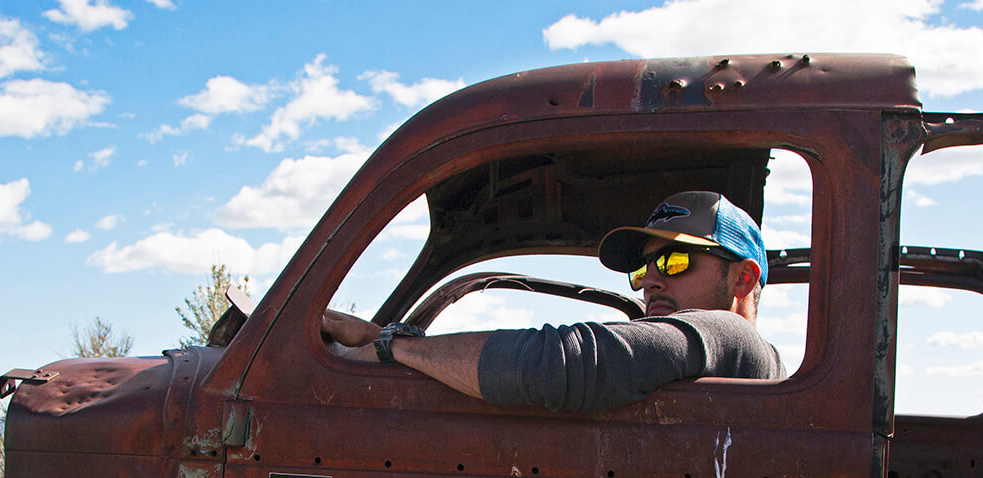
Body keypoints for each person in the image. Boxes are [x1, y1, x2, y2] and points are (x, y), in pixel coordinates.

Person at [321, 191, 782, 413]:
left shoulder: (733, 337)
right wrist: (388, 337)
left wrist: (395, 348)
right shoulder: (707, 361)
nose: (651, 283)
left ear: (743, 278)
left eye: (676, 260)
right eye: (644, 269)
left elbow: (563, 363)